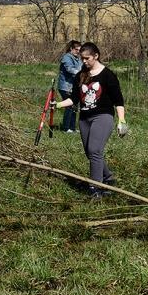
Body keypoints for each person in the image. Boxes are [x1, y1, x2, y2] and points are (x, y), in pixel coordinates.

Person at [52, 42, 127, 198]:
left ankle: (95, 188)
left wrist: (122, 121)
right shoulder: (81, 75)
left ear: (96, 56)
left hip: (103, 117)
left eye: (87, 58)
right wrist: (57, 104)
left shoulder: (108, 75)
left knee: (94, 150)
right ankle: (108, 177)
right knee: (90, 152)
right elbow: (74, 99)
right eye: (82, 58)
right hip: (85, 118)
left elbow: (118, 101)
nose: (84, 61)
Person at [57, 40, 82, 133]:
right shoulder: (67, 57)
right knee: (69, 106)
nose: (78, 51)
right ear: (71, 48)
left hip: (74, 87)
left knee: (75, 107)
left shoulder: (78, 58)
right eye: (76, 49)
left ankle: (72, 128)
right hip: (66, 87)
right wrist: (81, 74)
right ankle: (66, 128)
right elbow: (70, 69)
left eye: (80, 50)